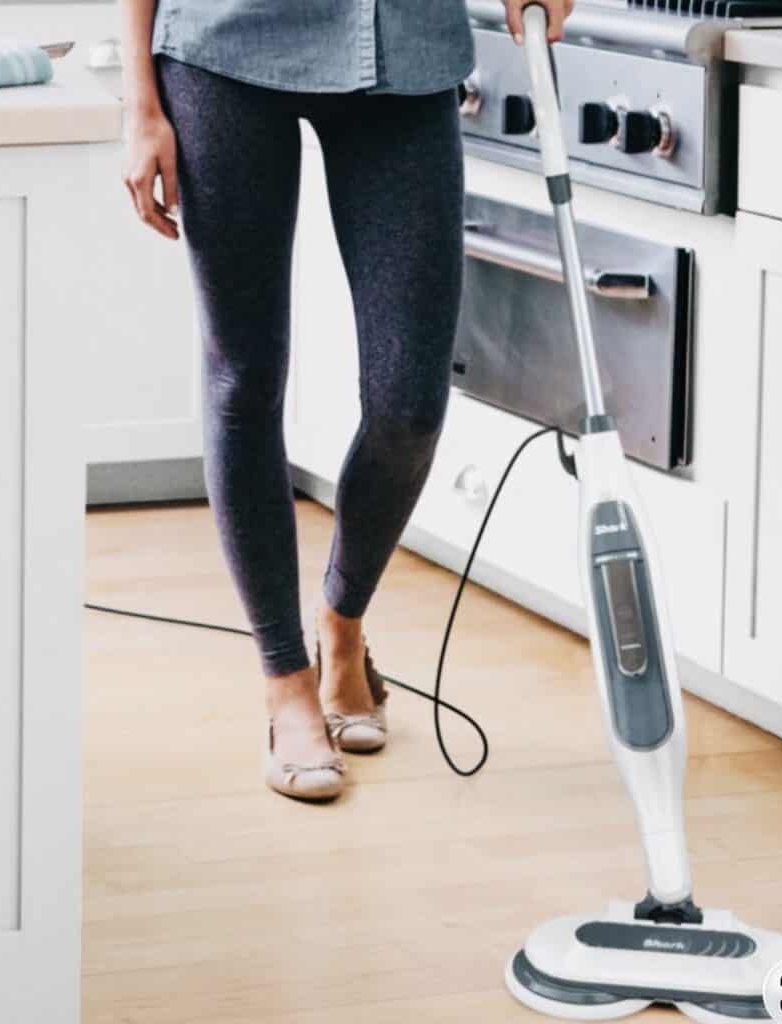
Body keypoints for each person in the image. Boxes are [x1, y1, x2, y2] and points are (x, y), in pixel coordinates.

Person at [120, 0, 572, 802]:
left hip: (404, 47)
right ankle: (285, 679)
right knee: (246, 375)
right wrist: (139, 103)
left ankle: (342, 619)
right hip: (224, 46)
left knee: (409, 402)